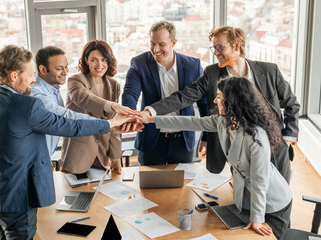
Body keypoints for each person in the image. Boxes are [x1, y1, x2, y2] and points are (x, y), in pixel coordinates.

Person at [0, 45, 132, 240]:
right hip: (18, 199)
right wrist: (110, 124)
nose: (34, 80)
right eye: (31, 74)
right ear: (14, 76)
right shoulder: (27, 105)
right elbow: (68, 125)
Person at [138, 26, 299, 182]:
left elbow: (292, 104)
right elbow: (184, 97)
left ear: (236, 46)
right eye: (213, 48)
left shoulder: (269, 71)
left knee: (279, 196)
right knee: (245, 197)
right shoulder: (212, 74)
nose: (215, 52)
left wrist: (287, 138)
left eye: (219, 47)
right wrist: (151, 111)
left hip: (273, 146)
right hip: (238, 152)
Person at [138, 77, 292, 240]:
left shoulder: (256, 135)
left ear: (232, 101)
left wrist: (257, 218)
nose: (214, 100)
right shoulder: (224, 121)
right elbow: (189, 122)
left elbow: (260, 180)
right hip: (248, 199)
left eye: (219, 97)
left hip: (272, 202)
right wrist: (151, 119)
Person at [122, 21, 208, 165]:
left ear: (173, 42)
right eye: (152, 44)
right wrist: (130, 116)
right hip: (151, 139)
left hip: (182, 140)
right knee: (149, 185)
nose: (155, 49)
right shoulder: (139, 63)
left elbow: (204, 104)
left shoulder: (193, 66)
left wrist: (206, 136)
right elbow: (130, 94)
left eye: (161, 44)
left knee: (182, 185)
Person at [31, 46, 133, 157]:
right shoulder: (38, 94)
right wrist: (110, 123)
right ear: (42, 69)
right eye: (59, 68)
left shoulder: (53, 89)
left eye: (66, 67)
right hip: (74, 155)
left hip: (43, 158)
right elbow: (67, 116)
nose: (65, 72)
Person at [61, 40, 136, 174]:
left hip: (103, 155)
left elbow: (114, 125)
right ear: (86, 61)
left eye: (104, 60)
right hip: (78, 154)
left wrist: (115, 156)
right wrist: (112, 105)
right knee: (78, 194)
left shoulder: (114, 85)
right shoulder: (75, 81)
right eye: (94, 60)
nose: (99, 65)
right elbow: (86, 99)